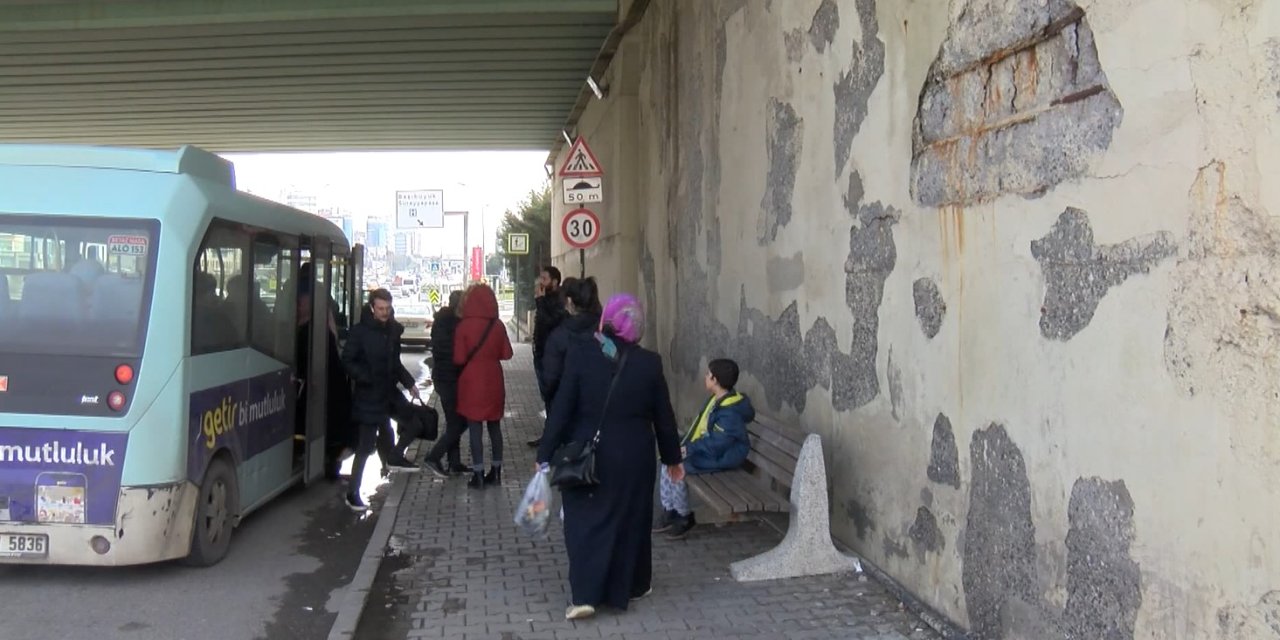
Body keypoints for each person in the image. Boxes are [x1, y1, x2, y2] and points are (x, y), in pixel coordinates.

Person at [536, 293, 682, 621]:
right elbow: (664, 417)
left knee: (585, 522)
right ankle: (634, 585)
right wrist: (672, 459)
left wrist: (545, 452)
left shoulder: (581, 354)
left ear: (606, 321)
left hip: (589, 455)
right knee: (633, 519)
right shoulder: (649, 363)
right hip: (635, 457)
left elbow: (562, 409)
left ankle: (586, 595)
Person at [652, 358, 755, 539]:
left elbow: (717, 444)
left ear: (715, 380)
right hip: (712, 451)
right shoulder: (717, 400)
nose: (705, 377)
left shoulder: (729, 412)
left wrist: (688, 450)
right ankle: (670, 510)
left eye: (708, 374)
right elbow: (700, 430)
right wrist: (681, 446)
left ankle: (684, 516)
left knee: (679, 467)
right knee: (669, 459)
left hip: (724, 457)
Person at [340, 288, 421, 511]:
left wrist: (410, 383)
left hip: (388, 393)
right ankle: (353, 493)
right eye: (381, 308)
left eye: (388, 308)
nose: (385, 312)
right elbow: (347, 361)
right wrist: (366, 378)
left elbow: (395, 363)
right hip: (368, 396)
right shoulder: (360, 332)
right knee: (365, 446)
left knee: (415, 421)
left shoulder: (392, 331)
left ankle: (394, 457)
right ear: (372, 308)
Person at [452, 283, 513, 489]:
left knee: (475, 428)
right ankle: (496, 472)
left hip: (471, 381)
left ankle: (477, 474)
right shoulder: (498, 325)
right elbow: (507, 354)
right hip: (494, 379)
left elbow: (459, 358)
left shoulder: (463, 326)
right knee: (495, 427)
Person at [419, 289, 470, 477]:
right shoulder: (453, 324)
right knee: (459, 422)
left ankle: (454, 463)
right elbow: (454, 353)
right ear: (460, 305)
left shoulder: (443, 321)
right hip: (449, 379)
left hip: (445, 378)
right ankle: (433, 457)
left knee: (453, 421)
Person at [538, 277, 601, 406]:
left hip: (565, 407)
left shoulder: (558, 337)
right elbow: (615, 358)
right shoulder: (603, 333)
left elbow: (549, 382)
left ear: (569, 301)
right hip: (599, 407)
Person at [527, 266, 566, 447]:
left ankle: (554, 436)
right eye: (540, 278)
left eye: (544, 279)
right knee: (547, 396)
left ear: (555, 282)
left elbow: (550, 322)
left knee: (552, 395)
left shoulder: (559, 300)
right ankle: (550, 433)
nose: (540, 282)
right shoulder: (546, 299)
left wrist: (541, 301)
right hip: (541, 352)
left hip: (552, 356)